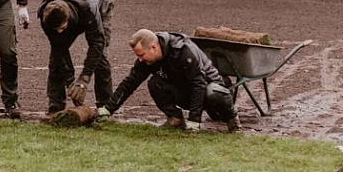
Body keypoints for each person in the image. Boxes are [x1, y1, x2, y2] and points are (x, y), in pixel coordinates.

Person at [96, 29, 240, 132]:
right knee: (154, 83)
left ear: (153, 48)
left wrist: (194, 121)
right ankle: (175, 118)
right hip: (186, 92)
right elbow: (130, 83)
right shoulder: (148, 60)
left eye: (141, 55)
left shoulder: (184, 52)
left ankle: (232, 119)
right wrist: (108, 109)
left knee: (214, 93)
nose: (139, 60)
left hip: (209, 91)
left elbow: (199, 85)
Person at [38, 0, 115, 113]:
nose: (59, 32)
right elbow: (59, 50)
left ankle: (105, 106)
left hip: (100, 2)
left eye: (61, 28)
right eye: (55, 30)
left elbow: (96, 44)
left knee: (100, 57)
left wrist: (83, 80)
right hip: (75, 10)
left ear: (68, 18)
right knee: (56, 58)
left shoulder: (89, 9)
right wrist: (71, 83)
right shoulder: (46, 17)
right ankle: (55, 106)